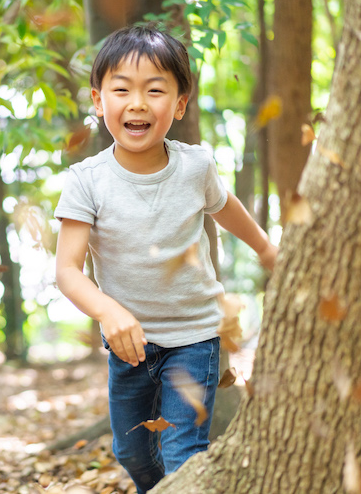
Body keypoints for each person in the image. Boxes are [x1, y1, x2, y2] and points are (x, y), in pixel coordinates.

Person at [54, 24, 278, 493]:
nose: (137, 103)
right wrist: (109, 311)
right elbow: (67, 271)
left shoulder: (196, 166)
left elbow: (228, 209)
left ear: (178, 105)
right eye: (122, 90)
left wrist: (266, 250)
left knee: (182, 453)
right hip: (128, 345)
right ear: (99, 102)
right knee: (132, 451)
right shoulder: (86, 181)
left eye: (155, 90)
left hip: (196, 336)